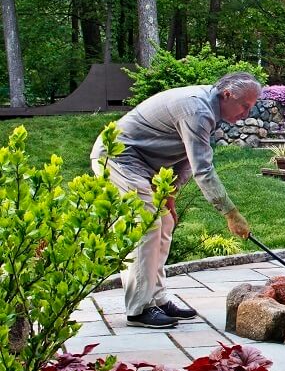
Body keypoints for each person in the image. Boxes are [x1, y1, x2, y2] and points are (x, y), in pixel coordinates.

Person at [91, 72, 260, 329]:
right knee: (146, 225)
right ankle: (139, 308)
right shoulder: (197, 109)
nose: (246, 114)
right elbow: (203, 169)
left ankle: (156, 298)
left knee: (165, 222)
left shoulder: (209, 110)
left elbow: (186, 158)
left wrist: (170, 193)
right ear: (227, 95)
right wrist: (230, 213)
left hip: (145, 164)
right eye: (245, 106)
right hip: (118, 156)